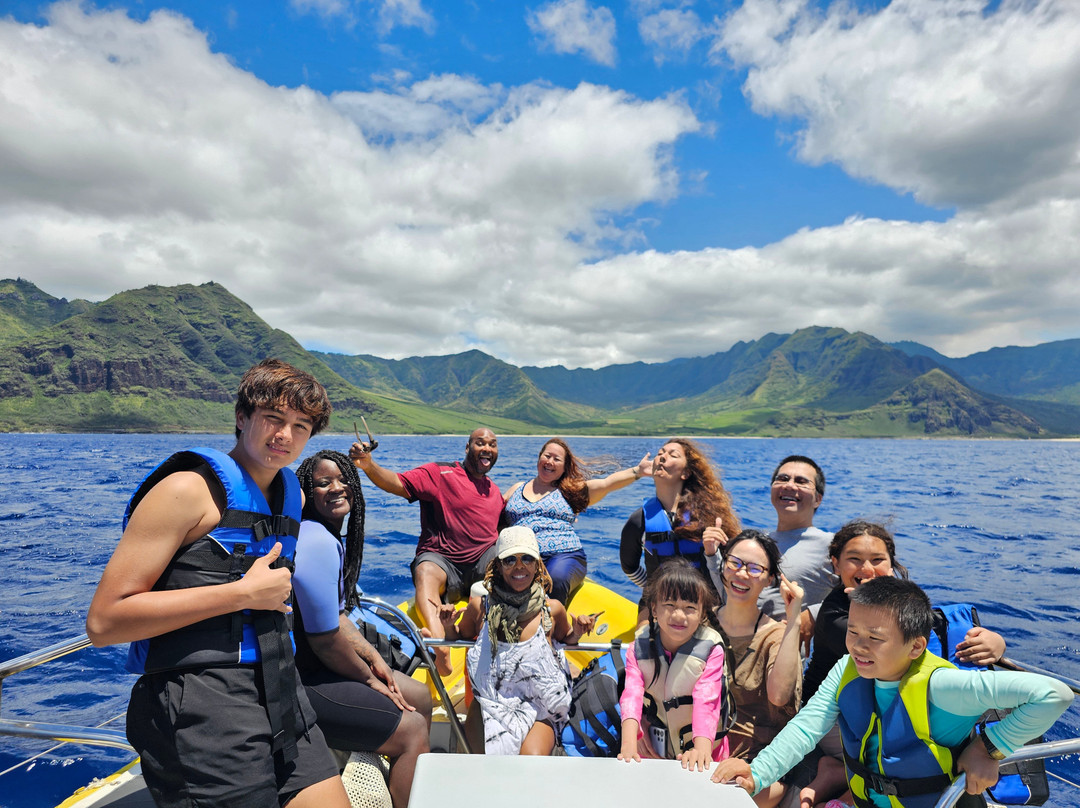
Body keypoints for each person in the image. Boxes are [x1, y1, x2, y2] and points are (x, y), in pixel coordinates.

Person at [85, 359, 349, 808]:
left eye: (300, 425)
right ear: (242, 418)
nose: (285, 435)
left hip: (281, 687)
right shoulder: (186, 491)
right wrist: (241, 594)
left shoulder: (293, 495)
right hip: (202, 701)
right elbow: (104, 623)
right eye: (273, 419)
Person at [711, 577, 1074, 808]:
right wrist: (757, 773)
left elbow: (1054, 694)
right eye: (853, 632)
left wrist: (989, 747)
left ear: (915, 647)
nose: (859, 647)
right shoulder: (846, 669)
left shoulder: (943, 686)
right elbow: (806, 728)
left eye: (875, 638)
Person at [797, 520, 1007, 808]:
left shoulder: (900, 605)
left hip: (886, 702)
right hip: (837, 715)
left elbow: (934, 627)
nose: (867, 570)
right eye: (854, 560)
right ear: (835, 564)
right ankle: (849, 788)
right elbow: (911, 633)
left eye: (878, 560)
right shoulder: (835, 615)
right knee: (907, 748)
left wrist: (996, 642)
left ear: (892, 564)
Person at [292, 450, 432, 808]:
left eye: (343, 480)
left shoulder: (326, 536)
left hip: (320, 668)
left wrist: (371, 656)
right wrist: (371, 680)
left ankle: (399, 776)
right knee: (412, 729)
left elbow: (337, 618)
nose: (336, 488)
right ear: (307, 491)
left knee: (418, 696)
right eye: (323, 483)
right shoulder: (317, 541)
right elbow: (324, 642)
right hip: (302, 682)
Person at [350, 427, 502, 675]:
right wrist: (368, 465)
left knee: (505, 560)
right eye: (480, 443)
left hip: (481, 564)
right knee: (425, 572)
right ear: (467, 447)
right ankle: (439, 646)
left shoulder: (494, 491)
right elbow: (398, 483)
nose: (487, 448)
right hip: (442, 560)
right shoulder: (440, 473)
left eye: (493, 444)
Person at [434, 526, 597, 755]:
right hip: (490, 704)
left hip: (539, 705)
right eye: (510, 560)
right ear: (498, 566)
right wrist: (449, 625)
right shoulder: (480, 608)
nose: (519, 566)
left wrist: (579, 630)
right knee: (480, 763)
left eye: (527, 559)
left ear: (538, 564)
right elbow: (459, 638)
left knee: (530, 761)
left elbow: (565, 639)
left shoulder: (552, 610)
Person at [502, 438, 653, 604]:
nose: (550, 462)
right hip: (521, 556)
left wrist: (638, 471)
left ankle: (549, 626)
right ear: (539, 458)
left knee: (555, 581)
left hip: (563, 555)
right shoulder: (517, 489)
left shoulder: (570, 491)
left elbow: (607, 484)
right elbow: (492, 511)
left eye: (557, 459)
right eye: (547, 456)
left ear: (564, 467)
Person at [715, 530, 804, 808]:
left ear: (769, 580)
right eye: (735, 563)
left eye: (755, 569)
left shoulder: (776, 635)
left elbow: (779, 696)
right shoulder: (699, 623)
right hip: (698, 755)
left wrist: (794, 622)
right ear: (722, 565)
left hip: (755, 771)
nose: (742, 574)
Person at [617, 557, 731, 771]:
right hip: (653, 748)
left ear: (702, 613)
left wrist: (702, 751)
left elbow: (707, 700)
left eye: (689, 607)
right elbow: (632, 694)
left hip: (705, 750)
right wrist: (629, 743)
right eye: (669, 605)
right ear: (653, 608)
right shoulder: (638, 648)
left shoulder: (711, 650)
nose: (679, 615)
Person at [620, 438, 741, 613]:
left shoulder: (708, 517)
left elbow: (730, 566)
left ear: (685, 473)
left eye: (672, 455)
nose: (662, 457)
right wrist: (654, 587)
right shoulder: (639, 520)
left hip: (704, 604)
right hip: (658, 604)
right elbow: (629, 567)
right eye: (660, 453)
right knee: (643, 628)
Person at [761, 455, 837, 621]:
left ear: (818, 499)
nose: (789, 485)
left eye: (801, 481)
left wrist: (813, 614)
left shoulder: (833, 545)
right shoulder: (757, 543)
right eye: (782, 479)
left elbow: (861, 594)